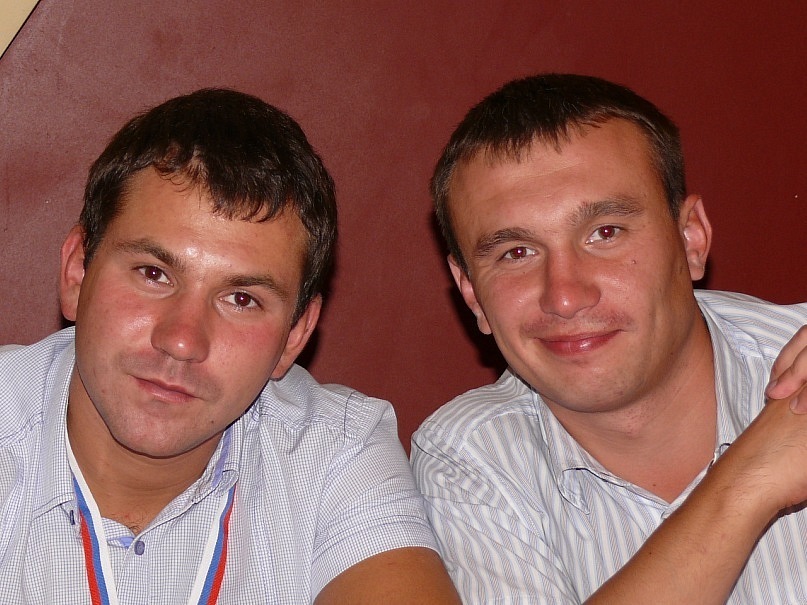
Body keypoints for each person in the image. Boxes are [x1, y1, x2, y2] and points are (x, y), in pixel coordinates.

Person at [0, 88, 460, 604]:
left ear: (295, 335)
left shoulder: (335, 451)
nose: (181, 341)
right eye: (153, 274)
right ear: (76, 272)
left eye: (241, 299)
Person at [411, 73, 807, 604]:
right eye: (516, 253)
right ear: (472, 294)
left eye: (605, 233)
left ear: (691, 239)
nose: (565, 296)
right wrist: (751, 480)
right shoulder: (469, 459)